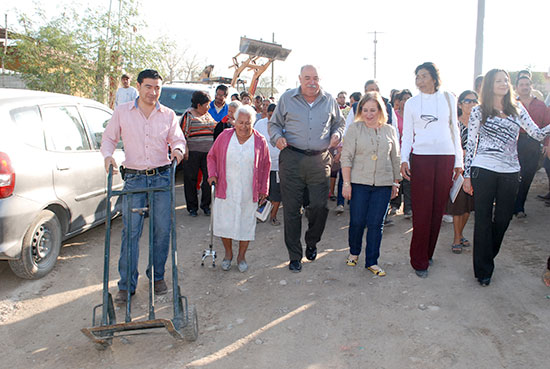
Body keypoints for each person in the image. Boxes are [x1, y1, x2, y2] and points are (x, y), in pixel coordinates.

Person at [101, 69, 185, 304]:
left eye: (157, 87)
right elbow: (108, 139)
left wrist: (178, 150)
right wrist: (108, 157)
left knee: (161, 230)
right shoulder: (122, 112)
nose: (153, 92)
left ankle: (157, 276)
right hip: (135, 179)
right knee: (131, 232)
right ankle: (127, 285)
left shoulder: (168, 114)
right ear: (138, 86)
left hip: (161, 177)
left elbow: (177, 139)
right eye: (148, 86)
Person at [463, 68, 550, 286]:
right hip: (483, 170)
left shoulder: (517, 109)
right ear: (490, 84)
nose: (503, 84)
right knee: (482, 219)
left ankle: (485, 256)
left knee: (503, 219)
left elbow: (537, 134)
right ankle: (483, 271)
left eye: (506, 80)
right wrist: (467, 176)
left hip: (511, 171)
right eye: (499, 80)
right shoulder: (478, 111)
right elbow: (471, 144)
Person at [269, 64, 345, 273]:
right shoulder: (286, 99)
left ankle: (312, 242)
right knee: (291, 210)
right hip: (292, 158)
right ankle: (295, 255)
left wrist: (337, 135)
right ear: (300, 79)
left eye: (316, 78)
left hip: (319, 160)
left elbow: (340, 123)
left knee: (320, 206)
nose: (312, 82)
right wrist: (277, 138)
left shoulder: (329, 100)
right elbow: (273, 124)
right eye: (308, 78)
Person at [400, 62, 463, 278]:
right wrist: (404, 159)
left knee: (438, 210)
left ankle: (428, 252)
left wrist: (459, 162)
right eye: (417, 76)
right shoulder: (411, 103)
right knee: (422, 210)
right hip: (421, 159)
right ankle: (418, 260)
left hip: (446, 157)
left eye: (424, 75)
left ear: (434, 78)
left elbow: (455, 130)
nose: (419, 80)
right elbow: (407, 134)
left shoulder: (448, 98)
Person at [340, 92, 401, 276]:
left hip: (383, 184)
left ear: (380, 110)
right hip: (359, 183)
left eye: (373, 110)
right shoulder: (354, 129)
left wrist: (395, 182)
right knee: (357, 221)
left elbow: (395, 158)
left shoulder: (389, 130)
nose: (369, 114)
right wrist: (346, 183)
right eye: (365, 110)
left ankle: (372, 261)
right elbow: (346, 157)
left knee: (376, 224)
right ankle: (354, 252)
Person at [207, 105, 271, 272]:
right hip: (225, 188)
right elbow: (211, 156)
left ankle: (241, 256)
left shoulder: (260, 140)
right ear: (234, 122)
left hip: (248, 191)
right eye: (240, 122)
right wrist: (212, 174)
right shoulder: (224, 136)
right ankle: (228, 253)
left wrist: (264, 188)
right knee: (224, 223)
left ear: (253, 123)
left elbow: (265, 165)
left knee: (246, 225)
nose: (243, 126)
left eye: (247, 123)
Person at [513, 76, 550, 217]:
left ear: (531, 86)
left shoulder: (541, 105)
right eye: (521, 84)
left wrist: (547, 144)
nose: (525, 87)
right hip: (515, 142)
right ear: (517, 87)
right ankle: (510, 205)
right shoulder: (511, 104)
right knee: (514, 175)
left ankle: (519, 207)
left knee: (528, 176)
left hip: (534, 143)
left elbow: (546, 126)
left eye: (527, 84)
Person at [446, 90, 478, 254]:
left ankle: (460, 233)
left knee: (468, 206)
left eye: (474, 101)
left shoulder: (481, 123)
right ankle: (457, 237)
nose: (472, 104)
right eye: (468, 101)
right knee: (458, 205)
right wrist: (461, 153)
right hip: (458, 169)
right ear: (460, 104)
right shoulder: (454, 124)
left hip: (477, 170)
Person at [181, 90, 217, 217]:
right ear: (199, 105)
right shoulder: (188, 115)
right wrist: (184, 149)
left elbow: (215, 129)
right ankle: (192, 208)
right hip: (192, 153)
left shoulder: (208, 115)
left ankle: (206, 206)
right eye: (206, 104)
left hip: (208, 153)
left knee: (209, 179)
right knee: (191, 180)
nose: (209, 107)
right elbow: (181, 135)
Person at [254, 103, 282, 225]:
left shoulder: (285, 125)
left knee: (276, 193)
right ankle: (259, 215)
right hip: (262, 165)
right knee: (260, 191)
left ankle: (273, 216)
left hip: (278, 166)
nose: (273, 118)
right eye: (270, 115)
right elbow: (254, 141)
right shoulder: (260, 124)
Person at [390, 89, 413, 218]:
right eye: (404, 99)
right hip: (396, 151)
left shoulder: (414, 115)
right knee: (397, 177)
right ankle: (395, 204)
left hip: (411, 151)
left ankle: (408, 208)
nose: (406, 101)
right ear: (399, 101)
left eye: (409, 98)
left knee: (409, 180)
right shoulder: (394, 115)